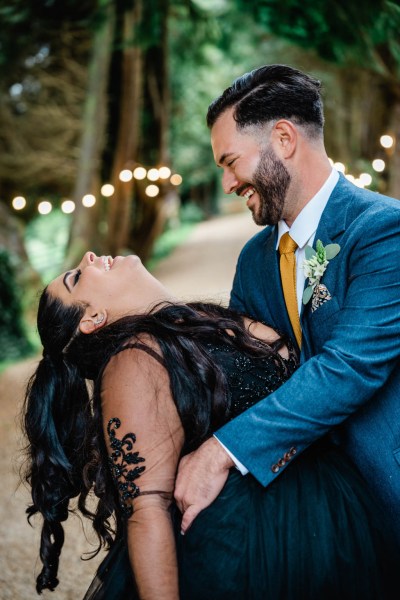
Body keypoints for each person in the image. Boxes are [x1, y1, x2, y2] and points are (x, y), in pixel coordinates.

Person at [22, 251, 400, 599]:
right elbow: (147, 509)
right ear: (92, 319)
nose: (89, 257)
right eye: (76, 278)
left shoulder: (199, 319)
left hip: (336, 514)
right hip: (249, 545)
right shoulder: (133, 360)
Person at [173, 63, 400, 546]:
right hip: (301, 505)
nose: (229, 184)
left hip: (386, 486)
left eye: (230, 162)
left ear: (283, 138)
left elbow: (350, 367)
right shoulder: (255, 259)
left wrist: (221, 451)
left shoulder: (383, 231)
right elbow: (238, 366)